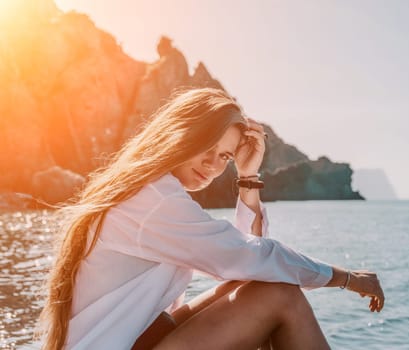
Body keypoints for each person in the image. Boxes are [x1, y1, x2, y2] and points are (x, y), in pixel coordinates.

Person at [37, 88, 385, 350]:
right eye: (206, 147)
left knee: (260, 284)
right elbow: (250, 256)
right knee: (281, 296)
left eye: (225, 156)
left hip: (133, 337)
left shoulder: (149, 191)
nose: (214, 166)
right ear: (179, 134)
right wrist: (347, 278)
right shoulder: (154, 200)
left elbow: (247, 261)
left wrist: (247, 177)